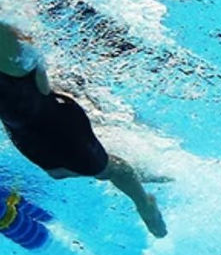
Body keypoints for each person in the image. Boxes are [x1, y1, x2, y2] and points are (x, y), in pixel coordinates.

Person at [0, 23, 167, 237]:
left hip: (54, 123)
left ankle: (145, 205)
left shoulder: (15, 65)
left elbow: (36, 77)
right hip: (27, 123)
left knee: (108, 170)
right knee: (58, 172)